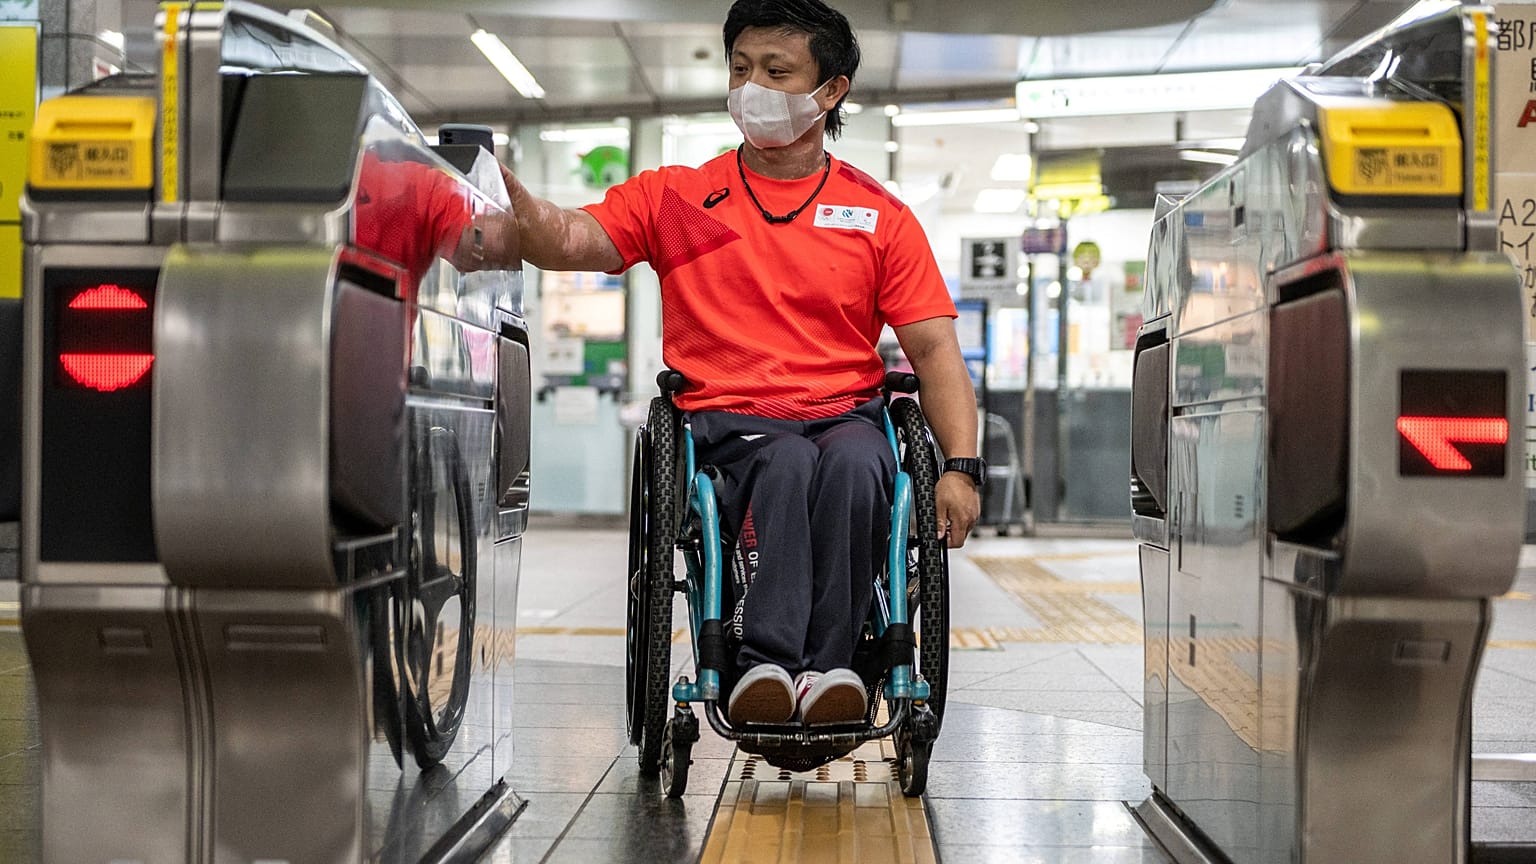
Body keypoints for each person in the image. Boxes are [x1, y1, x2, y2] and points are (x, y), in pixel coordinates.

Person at [498, 0, 981, 727]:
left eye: (776, 71)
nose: (751, 86)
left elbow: (934, 347)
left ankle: (837, 669)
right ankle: (766, 667)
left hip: (846, 416)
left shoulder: (879, 216)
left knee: (858, 465)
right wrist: (518, 208)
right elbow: (570, 239)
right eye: (741, 68)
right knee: (783, 465)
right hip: (729, 422)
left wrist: (960, 466)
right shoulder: (679, 198)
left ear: (831, 91)